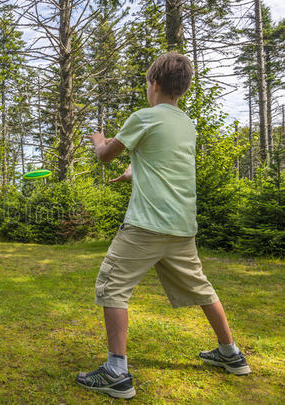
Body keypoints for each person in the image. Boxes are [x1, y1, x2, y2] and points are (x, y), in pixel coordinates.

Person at [75, 52, 251, 400]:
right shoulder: (185, 124)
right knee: (202, 288)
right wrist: (133, 173)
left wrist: (98, 138)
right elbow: (163, 164)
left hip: (146, 226)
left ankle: (116, 371)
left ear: (153, 84)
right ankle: (231, 355)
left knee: (112, 287)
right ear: (181, 90)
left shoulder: (144, 116)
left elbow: (104, 155)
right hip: (181, 226)